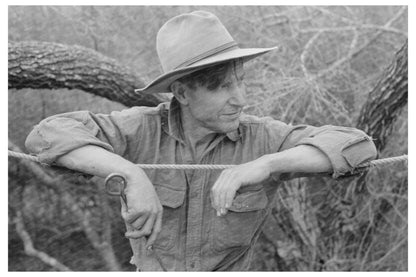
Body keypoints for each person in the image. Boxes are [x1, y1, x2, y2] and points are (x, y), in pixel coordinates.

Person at [25, 10, 377, 271]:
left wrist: (265, 164)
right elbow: (47, 134)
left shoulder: (262, 137)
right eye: (222, 87)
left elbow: (357, 146)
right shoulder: (140, 129)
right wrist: (131, 174)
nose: (240, 98)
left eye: (240, 82)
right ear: (182, 92)